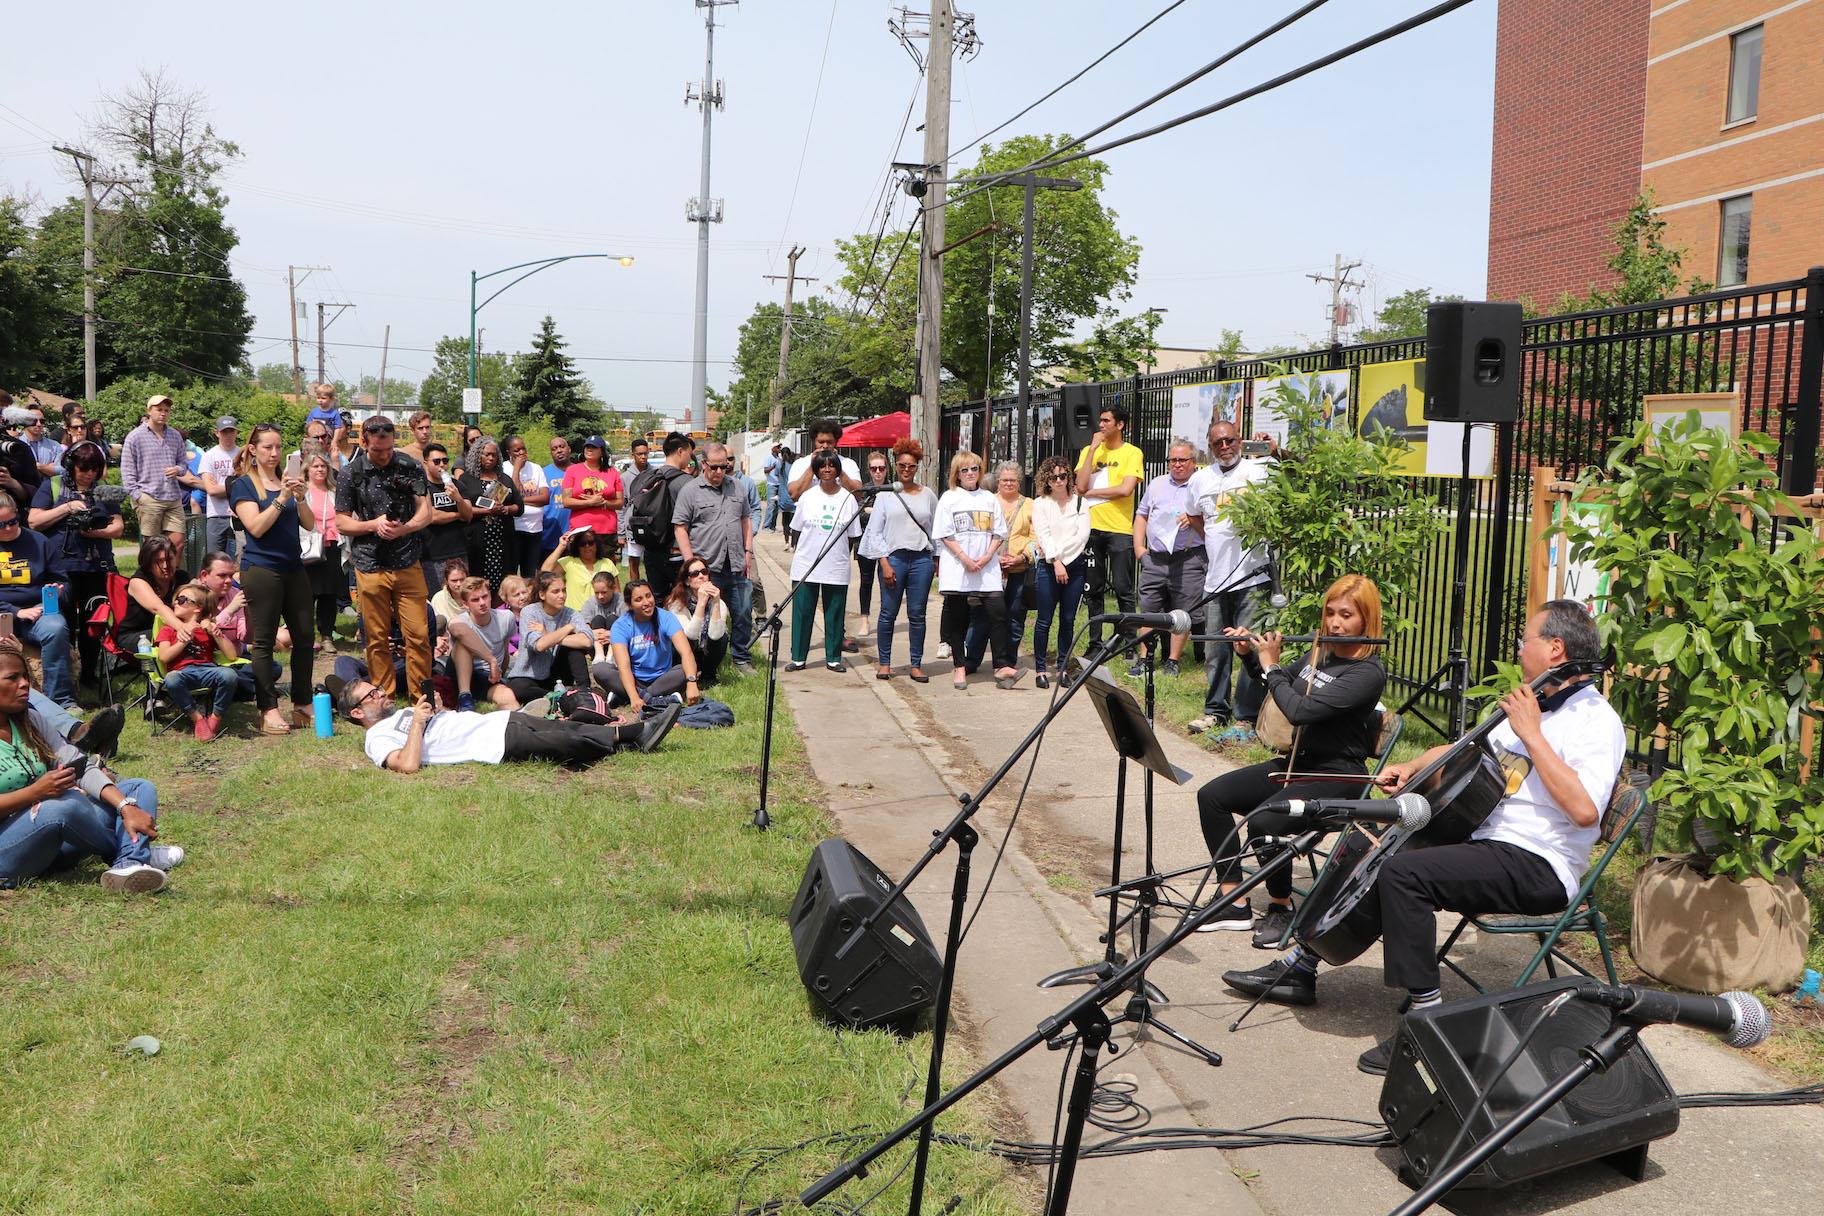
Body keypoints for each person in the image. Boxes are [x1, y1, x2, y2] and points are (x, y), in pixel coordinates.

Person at [1224, 599, 1626, 1077]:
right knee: (1376, 845)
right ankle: (1301, 962)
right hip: (1483, 838)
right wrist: (1412, 767)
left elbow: (1584, 813)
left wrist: (1533, 736)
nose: (1519, 650)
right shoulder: (1535, 701)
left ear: (1555, 649)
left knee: (1405, 874)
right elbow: (1464, 748)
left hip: (1538, 861)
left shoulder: (1595, 721)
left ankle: (1426, 1020)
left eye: (1526, 641)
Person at [1191, 575, 1388, 947]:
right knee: (1212, 796)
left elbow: (1300, 710)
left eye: (1346, 615)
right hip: (1297, 764)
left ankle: (1281, 906)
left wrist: (1272, 666)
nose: (1334, 623)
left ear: (1367, 620)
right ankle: (1234, 898)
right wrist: (1252, 657)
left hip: (1338, 776)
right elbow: (1279, 688)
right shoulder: (1321, 654)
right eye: (1330, 613)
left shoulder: (1367, 672)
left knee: (1264, 821)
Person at [0, 648, 174, 893]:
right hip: (8, 853)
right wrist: (35, 793)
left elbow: (79, 766)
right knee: (65, 806)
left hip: (54, 837)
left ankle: (129, 864)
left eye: (25, 676)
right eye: (13, 678)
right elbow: (49, 799)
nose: (25, 684)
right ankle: (134, 852)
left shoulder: (29, 720)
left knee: (136, 788)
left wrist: (126, 807)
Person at [334, 675, 679, 772]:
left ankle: (636, 734)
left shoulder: (396, 715)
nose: (380, 694)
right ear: (357, 713)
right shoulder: (376, 739)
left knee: (565, 729)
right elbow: (407, 765)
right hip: (492, 745)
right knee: (564, 745)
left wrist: (434, 711)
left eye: (377, 689)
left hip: (495, 721)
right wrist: (417, 724)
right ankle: (637, 735)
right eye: (372, 695)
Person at [1185, 417, 1273, 741]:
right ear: (1210, 448)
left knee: (1248, 646)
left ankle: (1246, 717)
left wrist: (1278, 452)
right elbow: (1194, 514)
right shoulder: (1200, 480)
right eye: (1218, 443)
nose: (1225, 447)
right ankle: (1214, 711)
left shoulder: (1258, 471)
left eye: (1230, 441)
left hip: (1252, 577)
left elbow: (1295, 478)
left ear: (1240, 441)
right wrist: (1210, 536)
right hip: (1216, 580)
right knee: (1216, 650)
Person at [335, 415, 432, 703]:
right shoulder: (350, 473)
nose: (385, 455)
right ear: (364, 442)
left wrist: (406, 527)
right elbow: (341, 523)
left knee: (418, 635)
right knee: (376, 639)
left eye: (389, 449)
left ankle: (422, 700)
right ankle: (383, 699)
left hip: (407, 561)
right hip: (369, 564)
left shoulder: (410, 465)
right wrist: (372, 525)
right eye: (378, 450)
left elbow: (425, 511)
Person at [230, 422, 317, 736]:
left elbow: (309, 525)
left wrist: (301, 496)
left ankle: (303, 703)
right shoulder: (243, 485)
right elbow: (255, 527)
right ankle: (268, 708)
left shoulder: (287, 480)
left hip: (294, 568)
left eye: (279, 447)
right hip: (262, 570)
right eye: (268, 447)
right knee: (263, 642)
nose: (274, 453)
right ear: (253, 449)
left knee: (305, 636)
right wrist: (281, 497)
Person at [29, 441, 123, 687]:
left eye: (94, 468)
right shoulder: (53, 485)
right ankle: (65, 675)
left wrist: (95, 532)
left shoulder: (104, 490)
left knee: (94, 622)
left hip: (96, 566)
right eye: (84, 468)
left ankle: (89, 674)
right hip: (60, 568)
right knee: (63, 621)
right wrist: (67, 508)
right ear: (71, 466)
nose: (89, 474)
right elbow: (34, 521)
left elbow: (118, 527)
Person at [934, 451, 1017, 692]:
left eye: (974, 469)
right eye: (965, 470)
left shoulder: (989, 499)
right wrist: (964, 558)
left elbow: (999, 532)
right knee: (958, 617)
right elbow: (943, 533)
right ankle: (959, 665)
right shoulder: (949, 498)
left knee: (998, 612)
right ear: (957, 475)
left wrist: (988, 555)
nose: (970, 474)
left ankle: (1001, 665)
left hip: (986, 567)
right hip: (959, 567)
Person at [670, 441, 754, 675]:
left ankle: (741, 658)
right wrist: (691, 566)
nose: (719, 472)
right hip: (706, 567)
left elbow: (746, 519)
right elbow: (680, 527)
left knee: (743, 612)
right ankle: (706, 661)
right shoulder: (690, 490)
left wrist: (748, 551)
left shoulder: (737, 487)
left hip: (736, 562)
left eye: (724, 467)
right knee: (707, 615)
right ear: (703, 464)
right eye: (715, 467)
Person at [1130, 441, 1208, 678]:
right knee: (1149, 609)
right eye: (1172, 460)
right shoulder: (1157, 484)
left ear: (1193, 462)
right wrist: (1138, 548)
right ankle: (1144, 659)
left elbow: (1211, 529)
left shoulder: (1201, 486)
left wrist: (1193, 520)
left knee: (1182, 613)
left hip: (1188, 558)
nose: (1176, 465)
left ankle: (1173, 661)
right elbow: (1141, 515)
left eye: (1182, 460)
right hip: (1155, 558)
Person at [864, 438, 937, 683]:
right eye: (902, 465)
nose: (906, 470)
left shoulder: (928, 494)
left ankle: (916, 664)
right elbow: (874, 532)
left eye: (911, 466)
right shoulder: (886, 495)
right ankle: (885, 663)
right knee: (888, 613)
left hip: (921, 560)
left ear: (918, 467)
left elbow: (935, 529)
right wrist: (884, 563)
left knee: (917, 614)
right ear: (895, 465)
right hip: (893, 558)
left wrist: (935, 559)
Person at [0, 493, 78, 711]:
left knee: (55, 628)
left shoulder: (39, 541)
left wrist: (56, 593)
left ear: (18, 516)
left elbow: (64, 582)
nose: (7, 528)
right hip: (4, 614)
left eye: (12, 522)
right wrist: (16, 612)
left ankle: (61, 701)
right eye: (1, 524)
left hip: (38, 611)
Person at [1075, 404, 1143, 648]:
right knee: (1093, 589)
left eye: (1106, 421)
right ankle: (1095, 642)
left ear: (1120, 425)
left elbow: (1125, 489)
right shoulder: (1088, 451)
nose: (1101, 425)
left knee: (1124, 589)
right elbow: (1080, 485)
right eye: (1100, 421)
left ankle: (1128, 642)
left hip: (1120, 530)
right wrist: (1093, 450)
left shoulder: (1132, 453)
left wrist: (1092, 491)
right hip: (1091, 529)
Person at [787, 452, 861, 673]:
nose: (827, 470)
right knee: (802, 612)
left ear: (838, 469)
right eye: (822, 466)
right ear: (816, 470)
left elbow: (852, 534)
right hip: (806, 564)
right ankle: (798, 657)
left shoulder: (848, 499)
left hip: (836, 566)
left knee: (835, 613)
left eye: (831, 466)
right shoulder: (807, 497)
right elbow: (797, 530)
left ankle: (834, 657)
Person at [1029, 454, 1092, 691]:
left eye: (1062, 476)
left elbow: (1082, 535)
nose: (1058, 481)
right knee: (1044, 620)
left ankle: (1063, 667)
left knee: (1068, 619)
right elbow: (1043, 535)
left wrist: (1064, 560)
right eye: (1053, 477)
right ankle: (1041, 669)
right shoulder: (1041, 504)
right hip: (1049, 566)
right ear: (1046, 479)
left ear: (1068, 477)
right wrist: (1056, 561)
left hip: (1074, 567)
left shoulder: (1080, 503)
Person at [121, 394, 204, 569]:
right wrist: (138, 496)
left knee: (178, 542)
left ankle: (171, 579)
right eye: (159, 409)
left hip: (172, 496)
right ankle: (149, 581)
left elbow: (182, 463)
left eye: (167, 410)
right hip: (148, 496)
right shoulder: (134, 437)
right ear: (149, 411)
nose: (163, 413)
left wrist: (178, 470)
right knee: (151, 547)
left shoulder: (174, 435)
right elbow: (127, 471)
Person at [965, 461, 1032, 674]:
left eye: (1013, 480)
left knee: (1014, 615)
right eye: (1005, 480)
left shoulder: (1030, 505)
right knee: (981, 616)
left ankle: (1007, 662)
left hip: (1018, 569)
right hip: (989, 569)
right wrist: (991, 557)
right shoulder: (986, 501)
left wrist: (1022, 557)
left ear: (1019, 482)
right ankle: (972, 659)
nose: (1009, 484)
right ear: (998, 482)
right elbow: (976, 532)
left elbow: (1036, 536)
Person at [596, 578, 702, 711]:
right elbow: (624, 666)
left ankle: (623, 696)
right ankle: (656, 699)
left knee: (684, 670)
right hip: (634, 678)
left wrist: (691, 683)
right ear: (629, 605)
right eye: (638, 599)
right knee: (600, 670)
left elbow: (686, 652)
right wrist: (634, 696)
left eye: (648, 596)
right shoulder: (620, 626)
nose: (646, 602)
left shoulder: (666, 618)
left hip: (662, 678)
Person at [154, 581, 241, 740]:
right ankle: (198, 719)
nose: (175, 603)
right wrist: (184, 640)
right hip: (182, 673)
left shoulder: (206, 628)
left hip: (207, 670)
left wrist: (215, 633)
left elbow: (231, 655)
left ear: (197, 608)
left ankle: (215, 717)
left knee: (230, 675)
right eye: (176, 599)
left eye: (182, 600)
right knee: (171, 679)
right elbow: (164, 656)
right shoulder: (168, 629)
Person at [504, 570, 593, 705]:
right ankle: (562, 699)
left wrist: (548, 636)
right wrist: (567, 628)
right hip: (530, 673)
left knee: (574, 648)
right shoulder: (530, 612)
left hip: (557, 673)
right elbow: (538, 646)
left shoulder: (571, 613)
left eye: (564, 590)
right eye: (555, 592)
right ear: (542, 595)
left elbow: (587, 641)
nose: (562, 595)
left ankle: (585, 692)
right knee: (518, 689)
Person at [626, 433, 694, 602]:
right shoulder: (687, 482)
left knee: (656, 601)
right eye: (689, 453)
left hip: (651, 550)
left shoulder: (649, 477)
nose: (690, 457)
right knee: (682, 602)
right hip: (676, 552)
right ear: (680, 451)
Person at [457, 437, 523, 598]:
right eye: (486, 454)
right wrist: (487, 511)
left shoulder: (504, 478)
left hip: (503, 541)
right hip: (477, 542)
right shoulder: (466, 479)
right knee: (478, 582)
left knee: (503, 583)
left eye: (494, 455)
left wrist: (505, 509)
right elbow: (462, 510)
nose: (491, 458)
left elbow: (519, 507)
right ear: (477, 455)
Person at [445, 575, 519, 712]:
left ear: (491, 596)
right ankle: (464, 698)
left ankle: (523, 723)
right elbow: (457, 629)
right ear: (465, 604)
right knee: (463, 643)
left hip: (486, 677)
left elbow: (504, 651)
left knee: (507, 696)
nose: (482, 602)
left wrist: (500, 672)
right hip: (459, 674)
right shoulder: (460, 621)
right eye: (475, 599)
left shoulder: (506, 618)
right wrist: (491, 659)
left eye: (485, 596)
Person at [418, 441, 472, 602]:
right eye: (437, 461)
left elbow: (468, 515)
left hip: (458, 551)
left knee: (461, 598)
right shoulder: (422, 487)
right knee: (437, 599)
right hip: (432, 554)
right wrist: (457, 514)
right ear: (425, 462)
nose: (442, 465)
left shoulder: (457, 485)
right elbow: (431, 516)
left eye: (445, 460)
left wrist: (458, 499)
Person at [301, 451, 343, 651]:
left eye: (323, 466)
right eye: (315, 466)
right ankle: (306, 636)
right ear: (307, 469)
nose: (320, 469)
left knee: (329, 594)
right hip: (308, 547)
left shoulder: (335, 491)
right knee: (306, 594)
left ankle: (327, 635)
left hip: (332, 546)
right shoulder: (302, 492)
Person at [666, 557, 728, 684]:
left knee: (723, 637)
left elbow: (716, 636)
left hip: (703, 653)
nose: (701, 576)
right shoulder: (676, 604)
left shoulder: (719, 603)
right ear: (687, 581)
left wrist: (715, 602)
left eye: (704, 572)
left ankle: (708, 676)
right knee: (686, 638)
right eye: (695, 574)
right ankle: (685, 674)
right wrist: (701, 602)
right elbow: (690, 635)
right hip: (681, 655)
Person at [121, 535, 186, 657]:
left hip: (168, 629)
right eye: (159, 561)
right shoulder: (139, 581)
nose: (166, 566)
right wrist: (184, 629)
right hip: (138, 635)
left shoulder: (182, 578)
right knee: (171, 636)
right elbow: (159, 609)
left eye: (169, 559)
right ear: (148, 563)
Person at [560, 436, 623, 550]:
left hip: (606, 529)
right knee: (580, 566)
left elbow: (620, 502)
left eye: (594, 447)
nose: (589, 449)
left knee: (605, 566)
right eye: (587, 447)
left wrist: (604, 503)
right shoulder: (573, 470)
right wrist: (590, 502)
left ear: (602, 451)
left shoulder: (612, 472)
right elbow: (566, 501)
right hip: (580, 529)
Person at [195, 417, 241, 558]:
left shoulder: (243, 455)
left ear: (236, 432)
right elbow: (211, 490)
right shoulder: (209, 456)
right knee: (214, 560)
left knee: (237, 559)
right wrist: (236, 485)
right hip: (216, 515)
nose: (228, 435)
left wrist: (223, 487)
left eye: (231, 431)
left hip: (238, 514)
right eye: (224, 431)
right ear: (217, 433)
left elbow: (249, 486)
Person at [541, 527, 618, 611]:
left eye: (591, 543)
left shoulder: (607, 563)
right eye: (582, 544)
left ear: (596, 544)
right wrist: (561, 546)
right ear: (577, 546)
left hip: (602, 614)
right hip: (574, 614)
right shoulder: (568, 562)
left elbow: (617, 592)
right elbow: (545, 571)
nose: (587, 546)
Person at [855, 451, 891, 625]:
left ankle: (885, 619)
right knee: (866, 580)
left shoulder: (893, 489)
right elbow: (858, 513)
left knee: (887, 580)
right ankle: (864, 619)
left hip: (888, 542)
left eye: (881, 468)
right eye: (874, 468)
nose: (878, 472)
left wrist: (873, 512)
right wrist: (873, 512)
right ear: (869, 469)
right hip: (866, 542)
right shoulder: (864, 490)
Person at [505, 435, 549, 579]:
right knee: (510, 574)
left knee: (529, 575)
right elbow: (512, 495)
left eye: (523, 448)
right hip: (514, 529)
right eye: (516, 450)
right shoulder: (503, 468)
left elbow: (545, 498)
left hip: (534, 529)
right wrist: (516, 469)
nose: (521, 452)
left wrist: (521, 501)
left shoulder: (536, 468)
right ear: (508, 452)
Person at [538, 435, 573, 564]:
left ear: (569, 449)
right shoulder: (543, 473)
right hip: (549, 534)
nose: (559, 450)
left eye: (561, 447)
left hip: (574, 532)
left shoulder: (579, 471)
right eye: (554, 448)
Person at [622, 437, 653, 580]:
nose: (643, 457)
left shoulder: (655, 473)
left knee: (652, 561)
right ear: (633, 455)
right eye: (639, 454)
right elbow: (622, 506)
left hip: (652, 524)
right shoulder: (625, 477)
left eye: (645, 453)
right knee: (634, 561)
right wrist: (621, 533)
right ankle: (634, 589)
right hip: (633, 525)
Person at [19, 405, 63, 479]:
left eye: (42, 421)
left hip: (49, 489)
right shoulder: (16, 445)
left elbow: (63, 470)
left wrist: (39, 467)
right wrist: (48, 469)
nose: (39, 424)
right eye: (34, 420)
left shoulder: (54, 445)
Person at [428, 558, 471, 632]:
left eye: (462, 579)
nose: (459, 584)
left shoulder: (475, 596)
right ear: (446, 581)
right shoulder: (438, 599)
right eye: (454, 581)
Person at [304, 384, 347, 455]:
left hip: (328, 443)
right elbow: (308, 426)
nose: (320, 400)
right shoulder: (313, 412)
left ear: (331, 399)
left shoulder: (334, 413)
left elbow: (337, 428)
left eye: (323, 398)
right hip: (315, 441)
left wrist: (334, 441)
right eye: (318, 398)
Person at [762, 442, 785, 532]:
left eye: (780, 447)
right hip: (771, 485)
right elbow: (765, 470)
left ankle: (772, 526)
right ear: (773, 448)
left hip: (779, 485)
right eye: (778, 447)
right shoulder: (769, 458)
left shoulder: (779, 459)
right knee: (771, 506)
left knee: (776, 507)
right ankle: (766, 526)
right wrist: (773, 467)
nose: (779, 449)